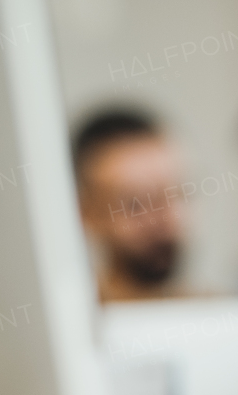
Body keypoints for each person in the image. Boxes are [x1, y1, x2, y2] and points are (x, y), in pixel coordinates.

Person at [73, 109, 186, 303]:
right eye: (135, 204)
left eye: (176, 194)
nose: (164, 218)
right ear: (86, 214)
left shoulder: (226, 315)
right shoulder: (71, 319)